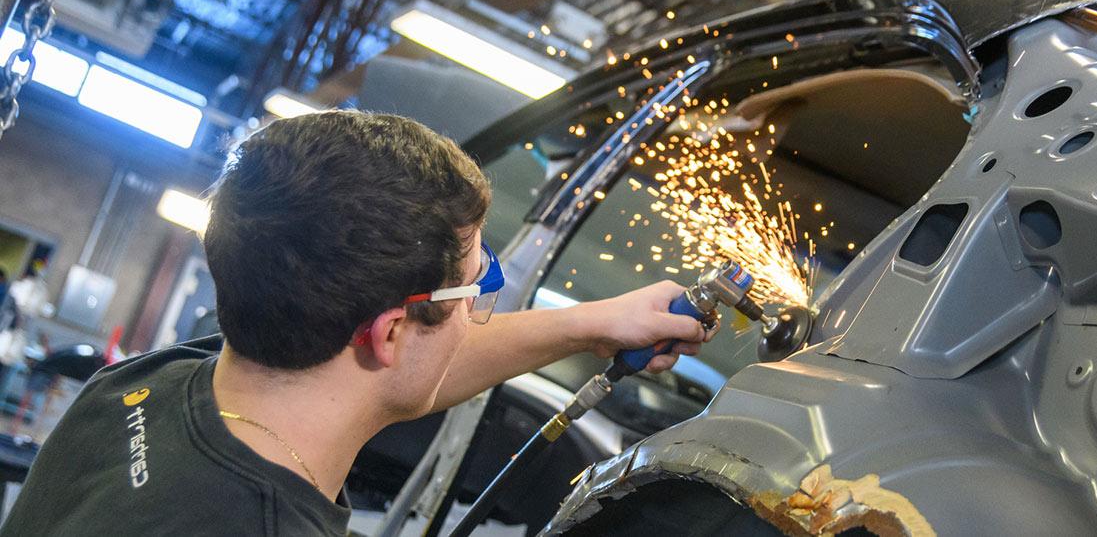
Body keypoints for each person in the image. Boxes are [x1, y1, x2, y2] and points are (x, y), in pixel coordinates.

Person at [0, 111, 713, 535]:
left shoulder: (151, 384)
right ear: (389, 331)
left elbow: (411, 365)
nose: (481, 305)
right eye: (478, 284)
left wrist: (592, 325)